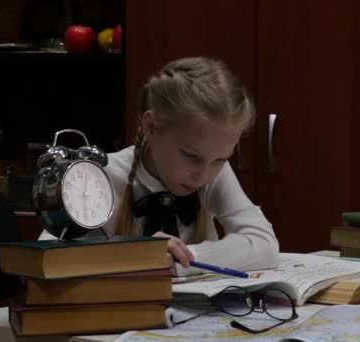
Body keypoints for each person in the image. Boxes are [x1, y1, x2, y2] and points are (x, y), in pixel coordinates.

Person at [40, 57, 279, 276]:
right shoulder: (96, 177)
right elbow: (45, 257)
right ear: (151, 127)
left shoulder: (212, 169)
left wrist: (187, 258)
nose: (203, 175)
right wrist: (133, 255)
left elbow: (265, 244)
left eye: (220, 159)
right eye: (191, 156)